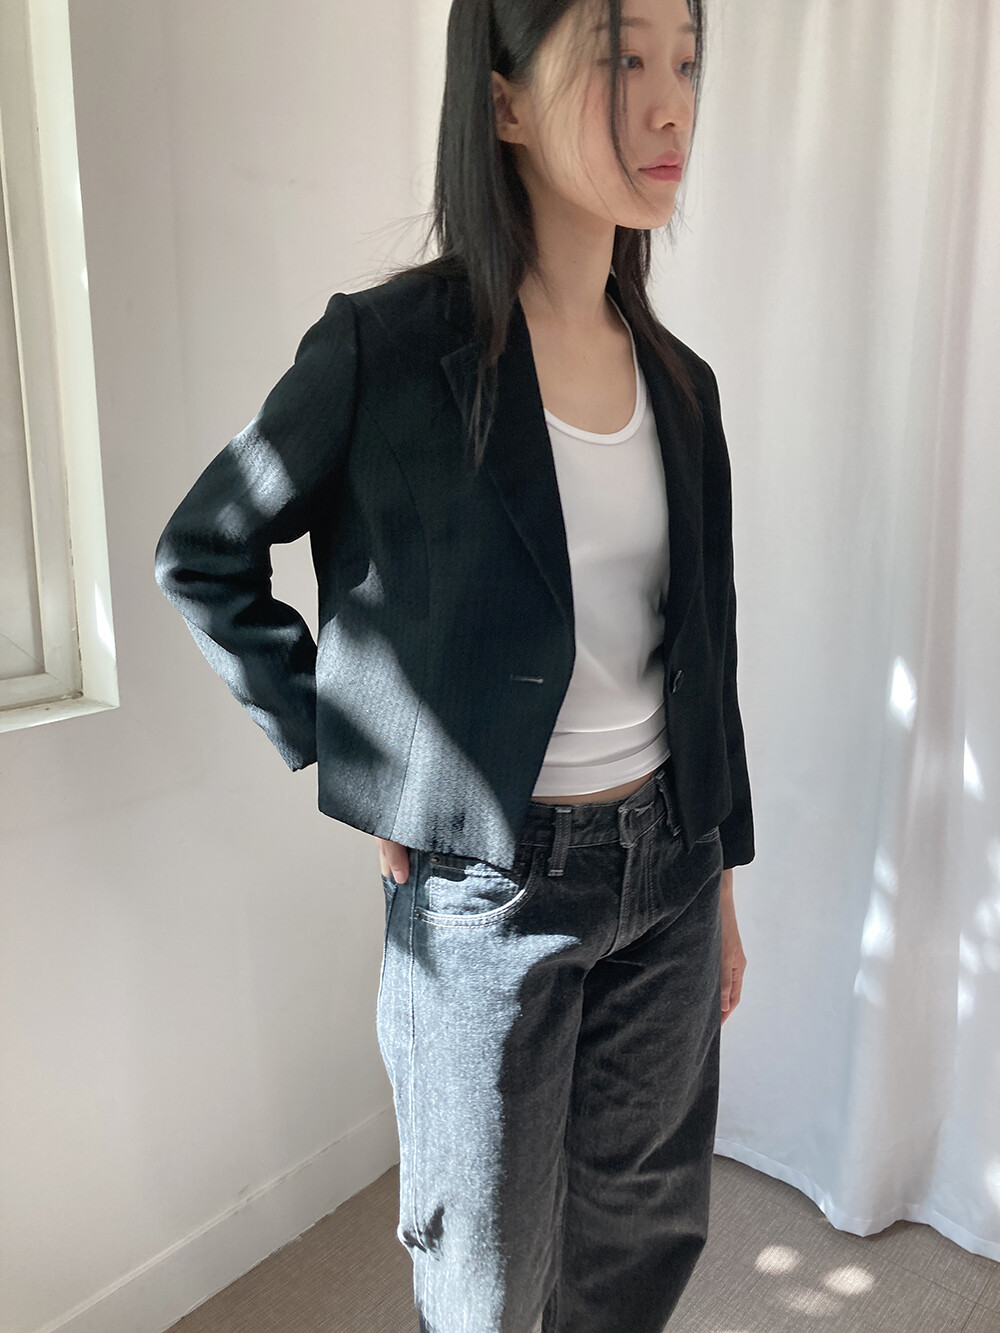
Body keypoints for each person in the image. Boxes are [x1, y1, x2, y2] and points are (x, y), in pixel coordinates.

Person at [154, 0, 753, 1328]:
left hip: (670, 867)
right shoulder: (388, 351)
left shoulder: (683, 384)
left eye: (686, 61)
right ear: (502, 101)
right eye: (622, 59)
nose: (671, 104)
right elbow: (204, 550)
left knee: (641, 1243)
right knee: (484, 1277)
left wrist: (720, 878)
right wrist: (357, 762)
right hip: (488, 898)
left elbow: (706, 652)